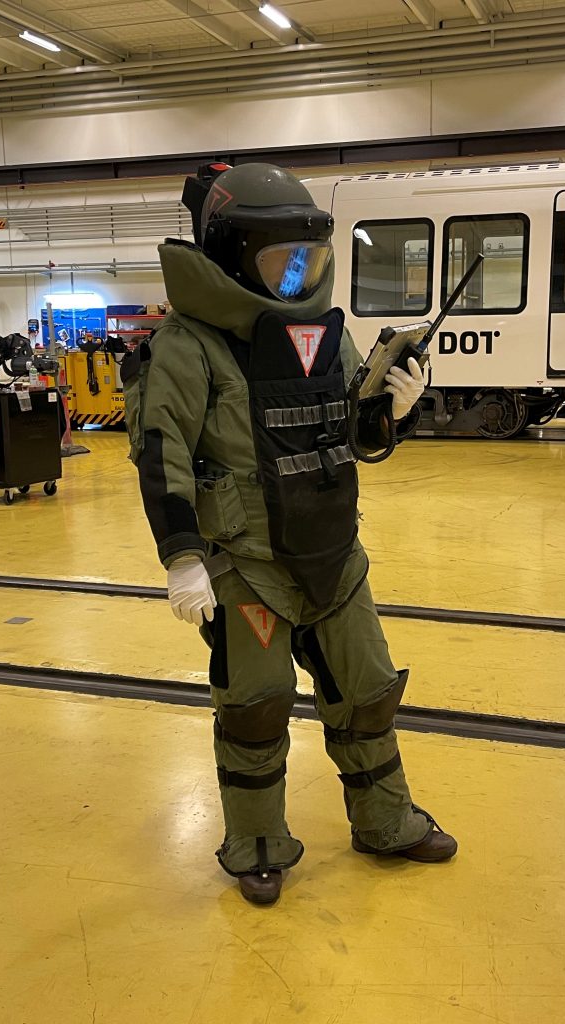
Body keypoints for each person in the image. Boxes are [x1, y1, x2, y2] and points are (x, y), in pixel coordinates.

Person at [124, 161, 457, 906]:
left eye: (309, 257)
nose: (298, 274)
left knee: (368, 693)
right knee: (257, 705)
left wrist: (391, 412)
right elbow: (161, 450)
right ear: (234, 254)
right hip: (246, 562)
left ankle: (386, 822)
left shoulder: (325, 335)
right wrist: (182, 557)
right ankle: (257, 843)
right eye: (283, 258)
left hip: (334, 552)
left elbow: (350, 433)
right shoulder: (187, 344)